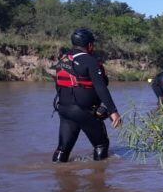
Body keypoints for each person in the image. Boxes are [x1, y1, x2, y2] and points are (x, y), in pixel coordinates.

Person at [52, 28, 122, 162]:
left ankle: (58, 176)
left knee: (63, 149)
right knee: (101, 145)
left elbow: (59, 85)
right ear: (89, 45)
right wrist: (113, 111)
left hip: (64, 110)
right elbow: (101, 87)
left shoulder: (62, 61)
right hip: (85, 111)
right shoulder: (90, 61)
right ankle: (99, 179)